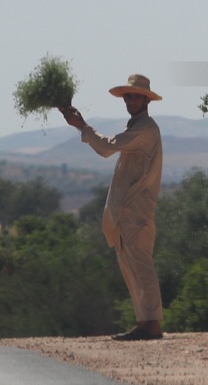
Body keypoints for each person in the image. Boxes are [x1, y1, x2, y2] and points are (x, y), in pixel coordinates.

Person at [59, 74, 164, 341]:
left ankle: (152, 325)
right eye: (128, 95)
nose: (131, 100)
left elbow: (107, 148)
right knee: (132, 267)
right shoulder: (137, 128)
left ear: (146, 99)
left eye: (136, 96)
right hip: (127, 213)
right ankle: (144, 322)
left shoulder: (146, 130)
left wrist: (81, 125)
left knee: (141, 266)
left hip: (136, 212)